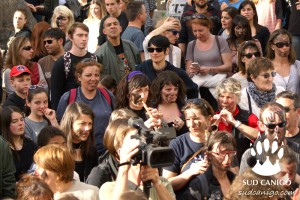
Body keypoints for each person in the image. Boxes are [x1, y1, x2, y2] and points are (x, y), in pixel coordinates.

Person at [99, 119, 175, 200]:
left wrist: (157, 183)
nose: (141, 143)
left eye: (141, 139)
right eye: (134, 139)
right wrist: (123, 168)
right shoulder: (109, 188)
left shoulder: (162, 182)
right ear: (119, 151)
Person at [56, 59, 114, 155]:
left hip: (105, 151)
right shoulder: (69, 97)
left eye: (96, 75)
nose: (93, 79)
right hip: (77, 153)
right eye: (88, 75)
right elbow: (60, 126)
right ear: (79, 77)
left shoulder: (107, 95)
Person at [162, 98, 214, 199]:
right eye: (188, 119)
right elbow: (167, 184)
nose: (191, 124)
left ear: (209, 119)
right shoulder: (177, 144)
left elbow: (233, 175)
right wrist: (191, 171)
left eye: (196, 119)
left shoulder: (219, 141)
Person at [239, 102, 300, 175]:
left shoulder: (298, 151)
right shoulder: (250, 156)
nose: (277, 129)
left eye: (281, 124)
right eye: (271, 126)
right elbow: (242, 185)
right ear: (261, 125)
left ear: (286, 123)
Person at [185, 14, 231, 110]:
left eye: (201, 30)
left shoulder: (220, 40)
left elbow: (228, 66)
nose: (198, 34)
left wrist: (210, 69)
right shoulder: (191, 45)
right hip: (200, 88)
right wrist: (194, 70)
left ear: (208, 27)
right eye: (195, 31)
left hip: (218, 86)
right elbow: (188, 71)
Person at [135, 35, 198, 99]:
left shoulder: (177, 73)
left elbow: (193, 90)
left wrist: (189, 107)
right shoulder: (141, 68)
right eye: (151, 50)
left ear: (167, 51)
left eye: (158, 50)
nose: (154, 53)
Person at [51, 22, 97, 110]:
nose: (84, 39)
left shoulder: (94, 59)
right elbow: (55, 95)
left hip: (93, 108)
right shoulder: (62, 62)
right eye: (80, 35)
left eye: (86, 35)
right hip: (70, 110)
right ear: (71, 37)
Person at [214, 78, 260, 164]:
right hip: (217, 164)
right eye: (221, 96)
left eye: (229, 97)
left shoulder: (248, 117)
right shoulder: (212, 116)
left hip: (242, 164)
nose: (224, 101)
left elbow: (259, 135)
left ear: (237, 98)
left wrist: (235, 122)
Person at [182, 131, 236, 199]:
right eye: (221, 154)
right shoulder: (199, 184)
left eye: (231, 153)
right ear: (209, 155)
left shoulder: (237, 181)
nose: (227, 159)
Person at [33, 145, 99, 200]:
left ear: (59, 174)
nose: (37, 172)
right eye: (37, 167)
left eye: (41, 168)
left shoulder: (90, 195)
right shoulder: (36, 196)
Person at [94, 16, 141, 83]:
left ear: (120, 28)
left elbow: (139, 67)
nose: (112, 26)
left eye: (115, 24)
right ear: (104, 31)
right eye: (109, 25)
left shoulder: (131, 46)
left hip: (132, 88)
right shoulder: (100, 54)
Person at [60, 102, 98, 182]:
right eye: (82, 124)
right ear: (70, 123)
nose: (87, 128)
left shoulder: (92, 151)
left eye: (90, 124)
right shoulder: (59, 151)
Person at [0, 106, 37, 181]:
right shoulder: (3, 147)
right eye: (14, 121)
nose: (20, 123)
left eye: (21, 119)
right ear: (6, 124)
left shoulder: (30, 144)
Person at [150, 71, 188, 136]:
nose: (173, 93)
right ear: (159, 91)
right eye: (168, 89)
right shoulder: (151, 110)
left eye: (175, 89)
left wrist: (183, 127)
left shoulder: (185, 108)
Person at [266, 29, 300, 96]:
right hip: (274, 105)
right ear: (272, 46)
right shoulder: (266, 67)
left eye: (287, 44)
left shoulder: (297, 65)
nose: (284, 47)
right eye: (280, 45)